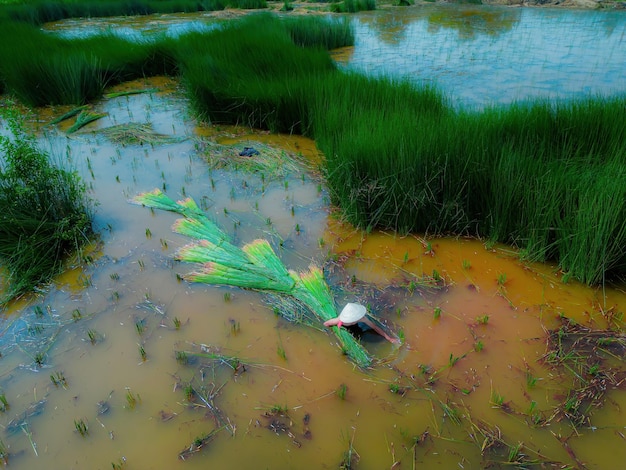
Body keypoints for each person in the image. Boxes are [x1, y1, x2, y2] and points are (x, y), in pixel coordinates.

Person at [323, 302, 400, 344]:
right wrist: (333, 332)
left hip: (356, 327)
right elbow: (326, 324)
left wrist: (389, 338)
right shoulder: (340, 320)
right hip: (344, 326)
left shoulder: (362, 318)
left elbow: (375, 327)